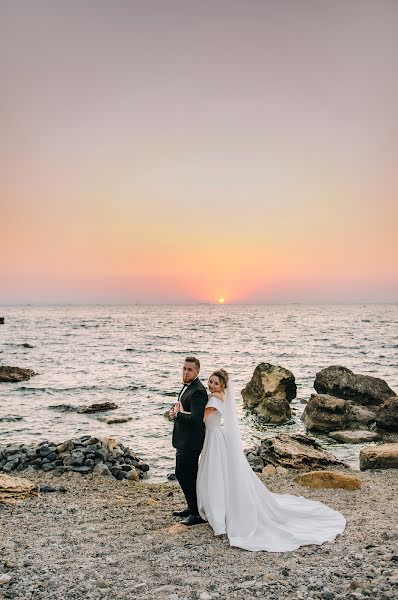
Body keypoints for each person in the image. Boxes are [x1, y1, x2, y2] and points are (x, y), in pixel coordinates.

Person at [196, 368, 346, 552]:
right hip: (217, 437)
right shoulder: (221, 398)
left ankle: (218, 513)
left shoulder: (213, 400)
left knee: (215, 475)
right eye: (210, 381)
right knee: (220, 474)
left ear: (222, 385)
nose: (211, 385)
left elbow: (201, 419)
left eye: (215, 383)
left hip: (215, 439)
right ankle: (220, 508)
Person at [169, 356, 208, 526]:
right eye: (184, 368)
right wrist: (174, 413)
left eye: (189, 369)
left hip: (191, 442)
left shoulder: (198, 391)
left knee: (184, 474)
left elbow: (196, 419)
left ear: (197, 372)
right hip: (184, 439)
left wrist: (178, 415)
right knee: (189, 475)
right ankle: (192, 507)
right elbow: (183, 409)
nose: (186, 372)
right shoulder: (188, 387)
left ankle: (196, 514)